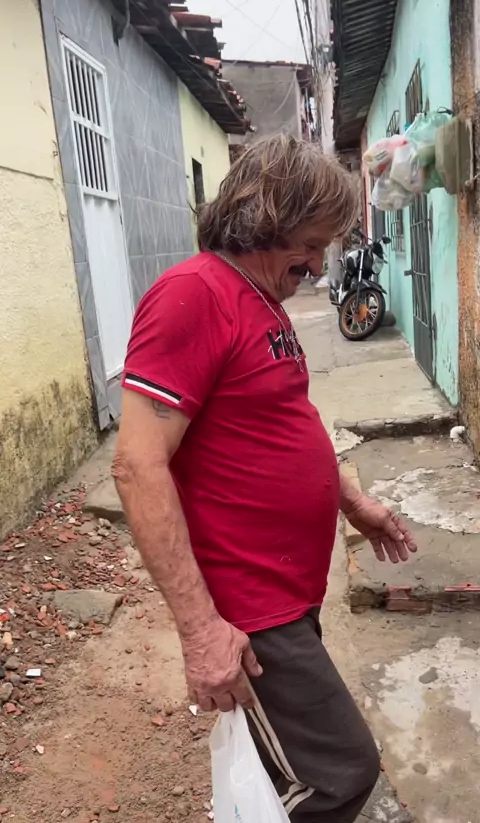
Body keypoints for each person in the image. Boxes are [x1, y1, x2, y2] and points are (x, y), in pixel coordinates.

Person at [113, 135, 417, 822]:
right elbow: (137, 464)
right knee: (338, 773)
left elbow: (280, 420)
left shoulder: (259, 297)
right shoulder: (193, 295)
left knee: (292, 778)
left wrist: (351, 501)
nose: (316, 264)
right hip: (250, 607)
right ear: (265, 221)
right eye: (310, 245)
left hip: (286, 594)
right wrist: (201, 631)